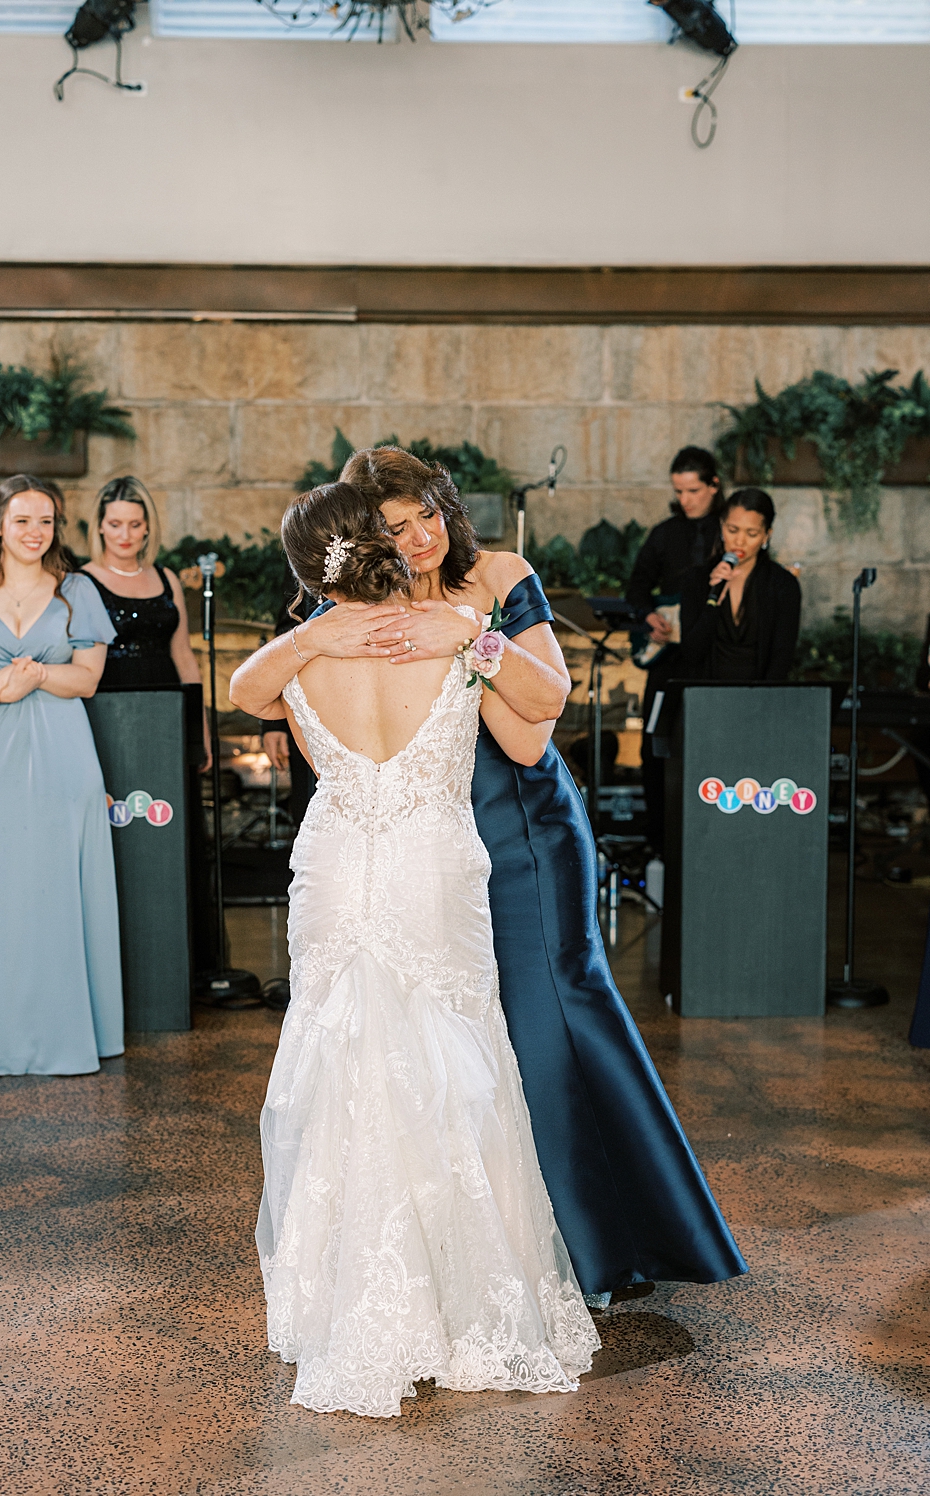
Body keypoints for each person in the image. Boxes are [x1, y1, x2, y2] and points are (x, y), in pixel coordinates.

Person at [232, 446, 746, 1300]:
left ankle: (596, 1246)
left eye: (428, 514)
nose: (421, 537)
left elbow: (536, 729)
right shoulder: (363, 619)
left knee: (547, 1023)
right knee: (452, 1046)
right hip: (420, 842)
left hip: (522, 830)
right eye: (395, 528)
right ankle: (480, 1251)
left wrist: (475, 637)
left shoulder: (498, 576)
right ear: (367, 538)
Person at [251, 482, 598, 1417]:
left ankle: (348, 1302)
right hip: (431, 861)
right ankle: (462, 1299)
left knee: (341, 1060)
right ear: (376, 542)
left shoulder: (301, 651)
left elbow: (275, 718)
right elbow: (546, 706)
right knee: (454, 1064)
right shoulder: (451, 624)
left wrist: (307, 637)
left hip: (334, 861)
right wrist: (476, 640)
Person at [0, 475, 122, 1076]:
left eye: (45, 522)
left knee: (53, 884)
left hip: (62, 750)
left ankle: (62, 1034)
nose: (35, 533)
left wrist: (37, 677)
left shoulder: (78, 592)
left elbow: (87, 678)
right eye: (23, 521)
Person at [627, 447, 724, 855]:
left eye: (694, 490)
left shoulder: (729, 531)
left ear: (714, 486)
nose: (685, 499)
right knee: (656, 744)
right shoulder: (665, 534)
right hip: (668, 660)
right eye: (679, 491)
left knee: (710, 746)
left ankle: (711, 841)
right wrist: (650, 617)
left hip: (715, 660)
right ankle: (660, 840)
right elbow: (635, 589)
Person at [78, 477, 201, 695]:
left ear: (147, 527)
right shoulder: (81, 583)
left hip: (168, 700)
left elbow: (183, 656)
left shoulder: (167, 578)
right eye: (115, 525)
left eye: (135, 525)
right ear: (99, 526)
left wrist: (199, 724)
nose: (125, 536)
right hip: (110, 705)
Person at [676, 488, 801, 683]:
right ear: (722, 527)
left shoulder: (783, 585)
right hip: (706, 696)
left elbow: (782, 657)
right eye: (732, 530)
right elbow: (691, 653)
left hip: (759, 699)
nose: (739, 541)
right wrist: (713, 601)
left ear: (766, 536)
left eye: (751, 534)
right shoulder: (697, 579)